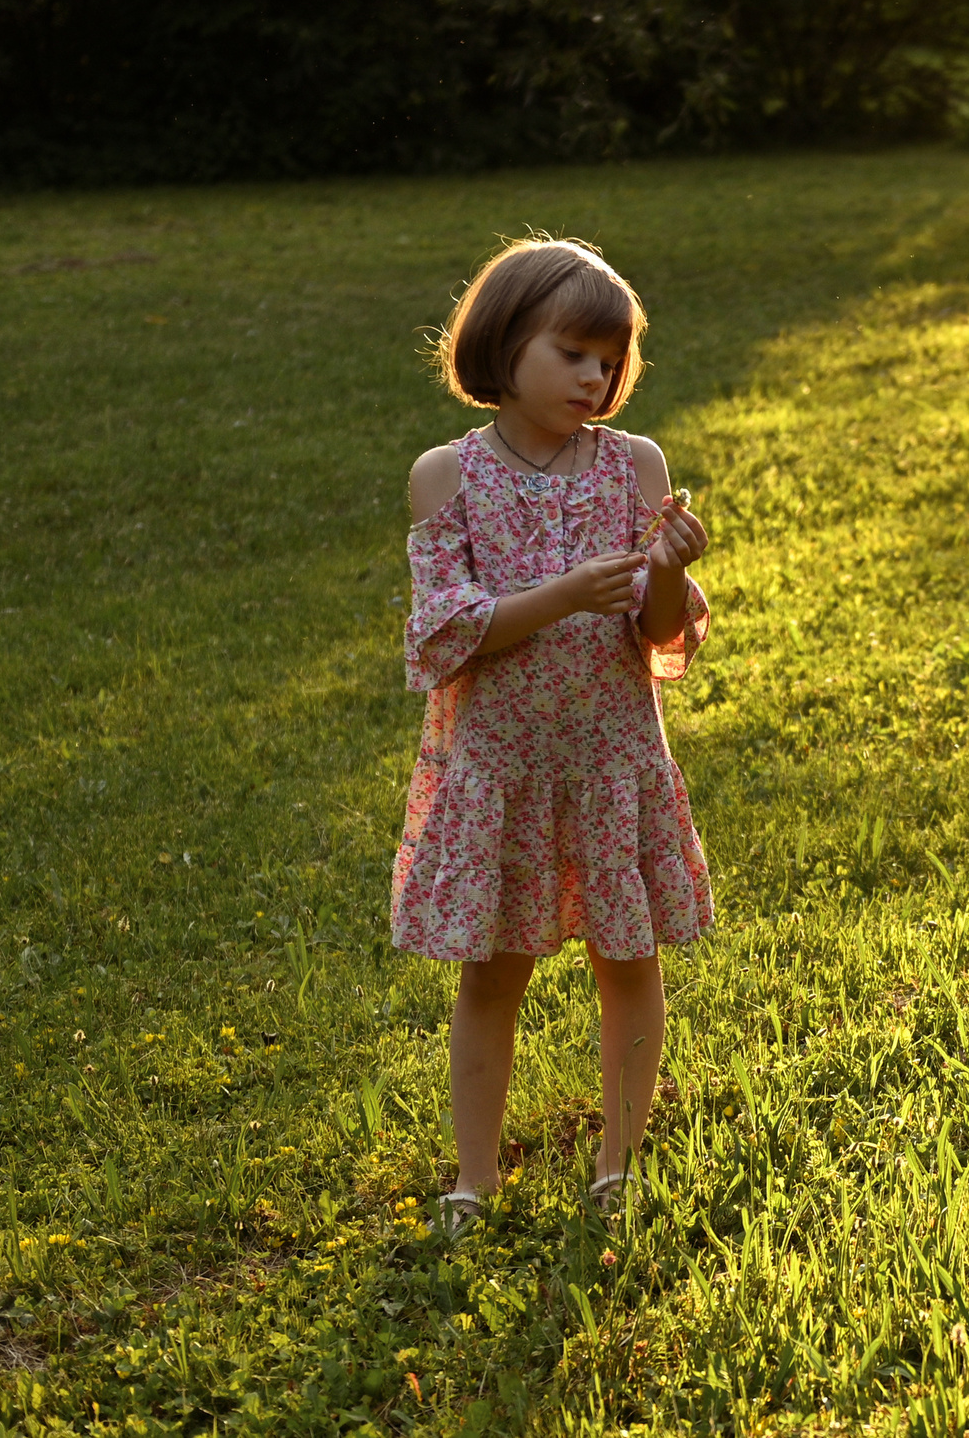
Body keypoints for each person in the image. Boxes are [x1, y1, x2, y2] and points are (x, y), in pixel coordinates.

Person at [393, 235, 713, 1228]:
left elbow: (658, 632)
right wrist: (563, 593)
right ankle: (474, 1178)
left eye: (609, 361)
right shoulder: (447, 478)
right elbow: (447, 633)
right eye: (571, 353)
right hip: (503, 767)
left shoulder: (634, 466)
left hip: (611, 758)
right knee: (492, 977)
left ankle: (621, 1163)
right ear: (503, 342)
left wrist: (668, 570)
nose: (593, 378)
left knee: (629, 962)